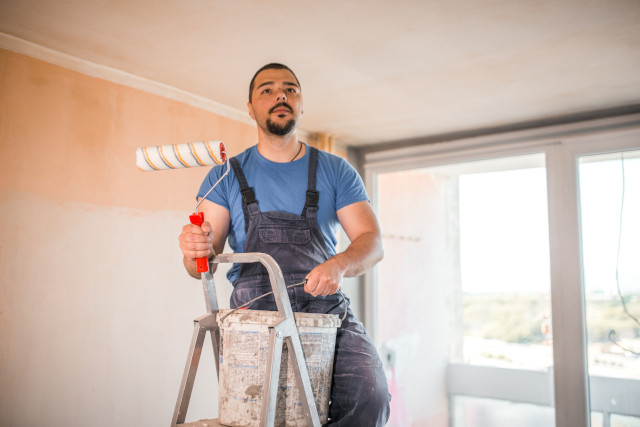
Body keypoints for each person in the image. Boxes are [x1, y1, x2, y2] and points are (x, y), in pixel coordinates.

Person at [178, 63, 390, 426]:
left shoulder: (336, 170)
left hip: (326, 312)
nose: (280, 95)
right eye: (267, 90)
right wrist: (194, 250)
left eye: (290, 89)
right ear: (250, 108)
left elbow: (372, 243)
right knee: (271, 413)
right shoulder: (225, 175)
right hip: (255, 317)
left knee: (369, 396)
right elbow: (201, 264)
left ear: (302, 104)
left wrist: (338, 264)